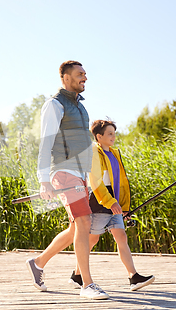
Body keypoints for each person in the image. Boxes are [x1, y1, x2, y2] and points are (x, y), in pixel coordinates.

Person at [25, 60, 109, 300]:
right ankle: (87, 285)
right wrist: (44, 180)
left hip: (79, 173)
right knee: (84, 222)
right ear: (65, 78)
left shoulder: (81, 107)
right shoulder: (54, 104)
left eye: (85, 74)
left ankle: (38, 263)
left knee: (76, 226)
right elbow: (46, 142)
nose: (85, 77)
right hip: (63, 170)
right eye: (80, 74)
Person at [68, 119, 155, 291]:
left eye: (114, 133)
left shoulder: (114, 153)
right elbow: (96, 182)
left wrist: (123, 206)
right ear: (98, 137)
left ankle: (133, 277)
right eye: (109, 134)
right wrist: (110, 201)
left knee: (121, 237)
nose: (113, 137)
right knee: (92, 240)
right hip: (100, 201)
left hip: (114, 200)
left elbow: (120, 183)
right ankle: (77, 276)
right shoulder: (94, 152)